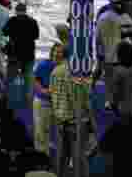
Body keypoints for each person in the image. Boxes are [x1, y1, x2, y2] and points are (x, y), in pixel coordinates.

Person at [51, 45, 94, 177]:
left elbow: (53, 95)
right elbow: (82, 98)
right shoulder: (75, 72)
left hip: (60, 120)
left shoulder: (55, 71)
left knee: (61, 159)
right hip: (76, 122)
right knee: (79, 161)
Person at [4, 2, 41, 105]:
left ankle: (9, 99)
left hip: (14, 54)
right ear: (25, 11)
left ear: (16, 11)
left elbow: (4, 32)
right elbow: (36, 36)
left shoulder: (12, 21)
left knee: (11, 77)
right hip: (28, 54)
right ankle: (28, 100)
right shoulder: (33, 22)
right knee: (28, 77)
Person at [33, 44, 62, 156]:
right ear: (52, 52)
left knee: (54, 133)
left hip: (58, 104)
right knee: (40, 132)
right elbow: (35, 79)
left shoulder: (64, 68)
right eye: (56, 51)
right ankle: (41, 159)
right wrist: (43, 90)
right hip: (42, 102)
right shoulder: (43, 65)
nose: (58, 54)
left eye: (60, 52)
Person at [96, 0, 123, 111]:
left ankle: (109, 101)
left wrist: (99, 53)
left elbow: (98, 38)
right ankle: (117, 101)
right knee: (119, 79)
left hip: (106, 54)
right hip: (119, 54)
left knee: (108, 80)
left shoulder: (101, 18)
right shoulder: (119, 18)